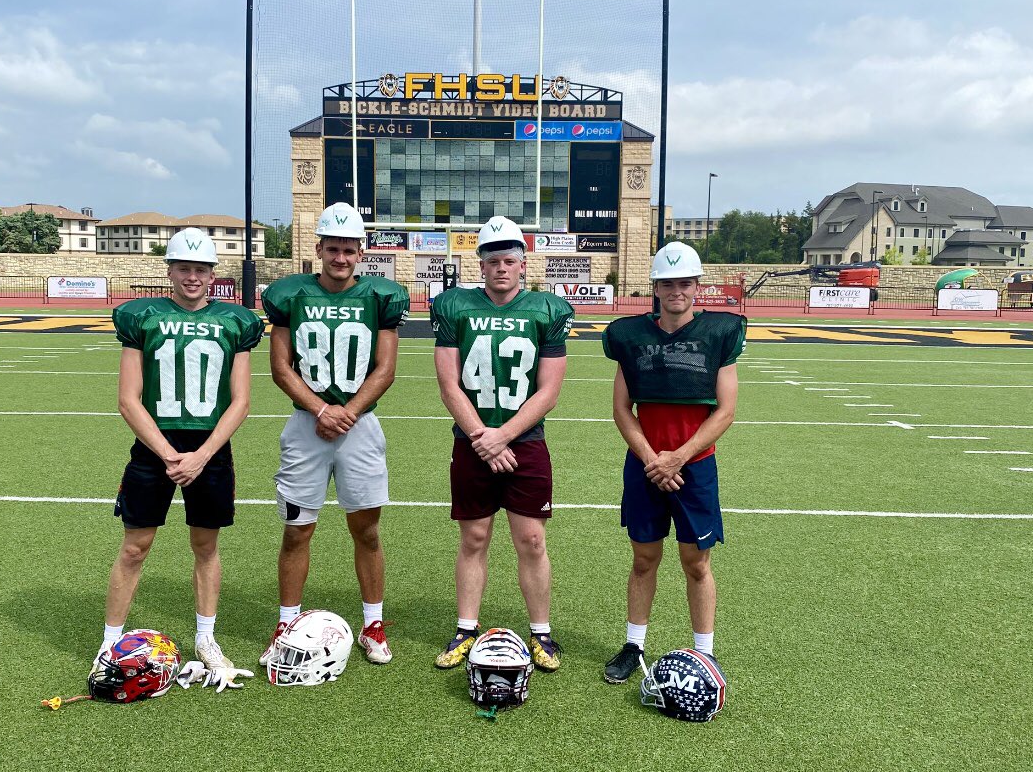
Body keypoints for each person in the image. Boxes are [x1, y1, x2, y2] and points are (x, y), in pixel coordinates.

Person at [95, 227, 265, 689]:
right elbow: (128, 399)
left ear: (213, 274)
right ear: (170, 271)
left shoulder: (235, 321)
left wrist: (201, 455)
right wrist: (171, 454)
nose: (193, 277)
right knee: (135, 546)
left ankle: (206, 638)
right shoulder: (143, 317)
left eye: (201, 269)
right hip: (156, 447)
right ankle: (109, 644)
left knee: (206, 546)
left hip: (210, 448)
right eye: (184, 268)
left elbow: (241, 402)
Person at [258, 202, 409, 667]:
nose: (340, 258)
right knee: (296, 531)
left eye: (348, 250)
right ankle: (286, 624)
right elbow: (281, 367)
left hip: (360, 427)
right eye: (333, 249)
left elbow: (385, 370)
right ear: (319, 249)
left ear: (361, 252)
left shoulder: (380, 297)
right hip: (307, 425)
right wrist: (322, 409)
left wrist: (347, 412)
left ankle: (373, 623)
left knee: (367, 531)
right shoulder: (291, 295)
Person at [430, 215, 574, 673]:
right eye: (493, 261)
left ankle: (541, 632)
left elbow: (549, 391)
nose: (501, 268)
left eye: (509, 260)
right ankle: (465, 628)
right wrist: (482, 437)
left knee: (531, 539)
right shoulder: (456, 306)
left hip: (524, 442)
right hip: (472, 441)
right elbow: (449, 385)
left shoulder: (546, 310)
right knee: (474, 537)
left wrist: (502, 436)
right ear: (482, 265)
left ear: (522, 264)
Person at [601, 241, 745, 684]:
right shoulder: (631, 336)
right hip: (645, 465)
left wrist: (678, 458)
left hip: (694, 466)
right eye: (668, 284)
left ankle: (705, 652)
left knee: (696, 562)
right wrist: (653, 460)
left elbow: (725, 411)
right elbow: (621, 408)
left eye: (684, 283)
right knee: (644, 558)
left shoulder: (718, 333)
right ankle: (634, 645)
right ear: (656, 288)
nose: (676, 291)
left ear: (696, 286)